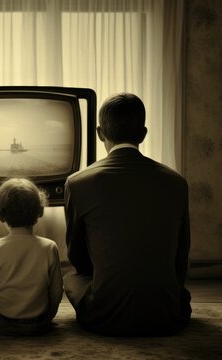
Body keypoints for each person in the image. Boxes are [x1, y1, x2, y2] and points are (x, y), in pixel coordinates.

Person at [64, 93, 191, 336]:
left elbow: (78, 257)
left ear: (100, 133)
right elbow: (180, 257)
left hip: (104, 318)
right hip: (168, 316)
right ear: (143, 134)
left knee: (71, 279)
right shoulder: (177, 182)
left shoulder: (77, 183)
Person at [0, 178, 63, 336]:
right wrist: (48, 317)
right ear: (40, 211)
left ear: (1, 215)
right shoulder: (50, 247)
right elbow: (56, 291)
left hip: (4, 323)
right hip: (39, 324)